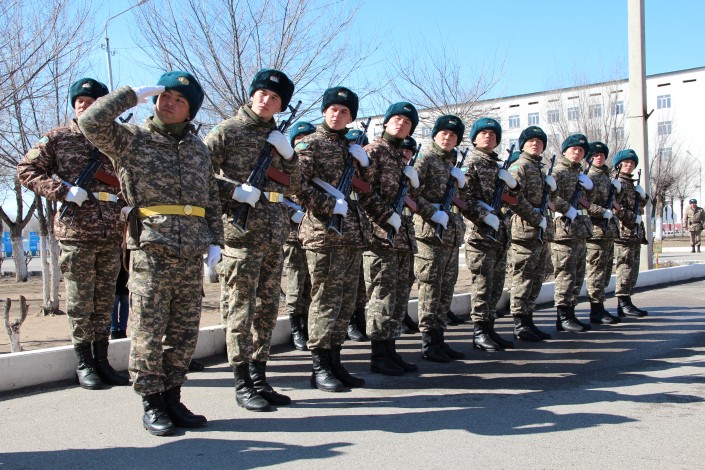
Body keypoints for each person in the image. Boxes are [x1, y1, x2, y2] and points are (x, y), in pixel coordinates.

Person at [78, 71, 224, 436]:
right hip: (151, 249)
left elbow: (211, 196)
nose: (169, 103)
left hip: (190, 251)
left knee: (183, 331)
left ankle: (173, 397)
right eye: (165, 96)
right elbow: (90, 122)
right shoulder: (131, 138)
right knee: (148, 329)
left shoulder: (197, 148)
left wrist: (215, 239)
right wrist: (130, 95)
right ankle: (151, 401)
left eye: (179, 100)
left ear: (190, 111)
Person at [17, 77, 129, 391]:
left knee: (104, 301)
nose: (85, 107)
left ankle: (102, 361)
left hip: (110, 231)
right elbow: (26, 170)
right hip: (77, 231)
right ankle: (85, 364)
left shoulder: (116, 139)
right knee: (81, 302)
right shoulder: (59, 138)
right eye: (81, 102)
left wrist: (125, 204)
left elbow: (130, 177)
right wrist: (62, 191)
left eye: (92, 103)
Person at [204, 69, 300, 412]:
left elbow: (295, 185)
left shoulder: (278, 138)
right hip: (240, 236)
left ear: (281, 106)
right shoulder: (228, 131)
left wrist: (289, 156)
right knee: (240, 310)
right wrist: (233, 191)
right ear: (251, 94)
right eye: (262, 93)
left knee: (266, 311)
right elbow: (198, 173)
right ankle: (242, 380)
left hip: (274, 236)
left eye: (274, 98)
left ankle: (260, 377)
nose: (266, 100)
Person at [295, 86, 370, 392]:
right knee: (325, 300)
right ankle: (319, 367)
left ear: (351, 117)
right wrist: (328, 205)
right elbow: (295, 185)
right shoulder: (310, 144)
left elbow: (366, 189)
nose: (338, 115)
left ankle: (335, 361)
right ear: (325, 111)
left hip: (351, 234)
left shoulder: (349, 147)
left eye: (345, 111)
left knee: (345, 302)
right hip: (323, 234)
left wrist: (365, 165)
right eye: (333, 110)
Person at [358, 101, 420, 375]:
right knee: (382, 296)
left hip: (402, 237)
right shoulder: (373, 152)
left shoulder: (399, 157)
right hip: (380, 237)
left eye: (407, 122)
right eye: (397, 119)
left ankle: (391, 351)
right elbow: (363, 191)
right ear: (386, 122)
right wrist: (386, 216)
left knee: (398, 297)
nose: (401, 124)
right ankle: (379, 356)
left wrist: (413, 184)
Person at [461, 117, 525, 351]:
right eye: (483, 133)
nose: (488, 137)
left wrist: (513, 185)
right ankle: (479, 332)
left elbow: (514, 198)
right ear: (474, 139)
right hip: (480, 234)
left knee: (496, 285)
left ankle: (489, 328)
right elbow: (463, 199)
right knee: (482, 284)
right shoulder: (471, 163)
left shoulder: (498, 166)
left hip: (499, 234)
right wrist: (483, 215)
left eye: (492, 134)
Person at [413, 115, 470, 362]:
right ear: (435, 135)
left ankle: (439, 338)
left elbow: (462, 198)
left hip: (450, 233)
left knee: (446, 287)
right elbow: (410, 193)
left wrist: (462, 183)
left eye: (453, 135)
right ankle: (428, 342)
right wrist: (431, 212)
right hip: (430, 232)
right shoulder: (425, 159)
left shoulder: (452, 163)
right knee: (430, 287)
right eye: (444, 133)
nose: (447, 138)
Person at [506, 127, 554, 342]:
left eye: (539, 141)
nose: (535, 144)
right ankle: (519, 323)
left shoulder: (539, 169)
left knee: (536, 278)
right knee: (523, 277)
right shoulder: (520, 166)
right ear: (522, 145)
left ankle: (528, 319)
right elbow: (512, 198)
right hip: (524, 230)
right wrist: (535, 218)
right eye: (531, 140)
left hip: (539, 231)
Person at [550, 134, 595, 332]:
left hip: (580, 230)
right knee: (565, 274)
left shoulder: (581, 174)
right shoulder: (558, 172)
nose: (577, 153)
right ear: (565, 151)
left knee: (577, 274)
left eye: (581, 150)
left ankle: (571, 312)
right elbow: (550, 196)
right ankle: (562, 316)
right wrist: (567, 208)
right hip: (564, 230)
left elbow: (589, 201)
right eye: (574, 149)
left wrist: (591, 188)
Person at [283, 121, 316, 351]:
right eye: (299, 139)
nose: (303, 143)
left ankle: (307, 324)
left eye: (307, 139)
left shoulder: (315, 167)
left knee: (311, 284)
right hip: (293, 235)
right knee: (296, 282)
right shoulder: (285, 165)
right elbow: (274, 195)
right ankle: (296, 328)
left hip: (313, 234)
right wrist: (290, 214)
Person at [585, 142, 622, 324]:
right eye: (595, 155)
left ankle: (600, 306)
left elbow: (614, 201)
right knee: (596, 272)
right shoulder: (588, 176)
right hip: (595, 231)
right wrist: (602, 212)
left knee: (605, 271)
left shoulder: (606, 177)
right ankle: (595, 309)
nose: (599, 158)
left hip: (608, 231)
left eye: (601, 155)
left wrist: (618, 190)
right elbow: (584, 203)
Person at [613, 149, 649, 317]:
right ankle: (623, 302)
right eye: (626, 162)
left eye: (632, 163)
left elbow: (638, 206)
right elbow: (615, 207)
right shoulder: (617, 183)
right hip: (623, 232)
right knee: (625, 267)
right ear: (618, 165)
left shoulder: (631, 184)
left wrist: (643, 197)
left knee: (633, 269)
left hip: (634, 232)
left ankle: (627, 300)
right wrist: (633, 218)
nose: (629, 165)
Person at [344, 128, 370, 343]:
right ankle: (349, 322)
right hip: (344, 230)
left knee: (360, 283)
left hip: (363, 230)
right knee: (345, 282)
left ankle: (359, 318)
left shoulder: (364, 168)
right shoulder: (341, 166)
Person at [399, 136, 420, 335]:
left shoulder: (410, 172)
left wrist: (414, 184)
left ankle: (402, 313)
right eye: (403, 150)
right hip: (391, 228)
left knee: (407, 277)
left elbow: (416, 202)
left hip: (407, 229)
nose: (405, 154)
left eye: (409, 152)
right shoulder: (391, 169)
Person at [112, 251, 130, 339]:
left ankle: (122, 330)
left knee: (124, 305)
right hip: (115, 280)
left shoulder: (126, 249)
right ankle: (114, 331)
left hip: (124, 279)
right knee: (114, 306)